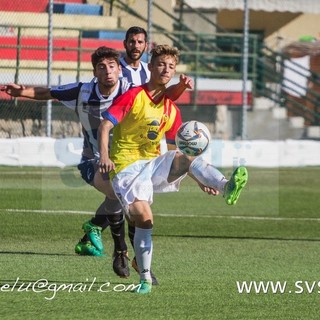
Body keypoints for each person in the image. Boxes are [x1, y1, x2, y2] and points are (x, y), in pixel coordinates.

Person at [1, 45, 193, 283]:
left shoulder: (130, 91)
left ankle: (119, 245)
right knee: (117, 191)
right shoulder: (81, 91)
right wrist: (22, 92)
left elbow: (163, 94)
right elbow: (49, 92)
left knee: (132, 199)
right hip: (92, 160)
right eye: (102, 68)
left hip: (129, 162)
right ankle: (121, 250)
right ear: (95, 72)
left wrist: (182, 87)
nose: (108, 72)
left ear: (119, 71)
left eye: (112, 66)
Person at [97, 44, 248, 294]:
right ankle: (144, 278)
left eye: (171, 66)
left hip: (152, 163)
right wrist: (104, 155)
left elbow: (174, 152)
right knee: (145, 219)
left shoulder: (171, 109)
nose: (166, 70)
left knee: (188, 152)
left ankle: (225, 185)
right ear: (151, 67)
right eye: (161, 64)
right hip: (126, 169)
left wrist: (200, 179)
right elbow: (105, 125)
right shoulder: (134, 95)